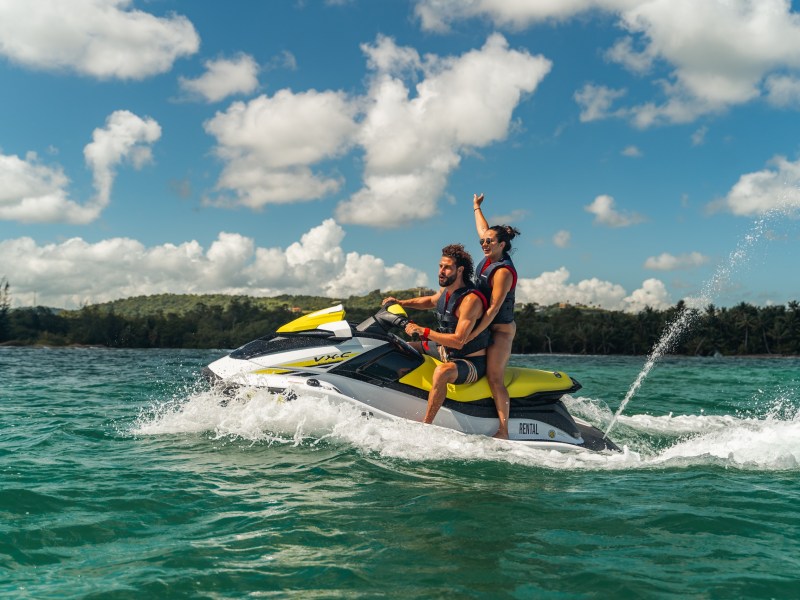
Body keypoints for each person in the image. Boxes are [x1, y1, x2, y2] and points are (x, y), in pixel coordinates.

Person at [383, 244, 490, 425]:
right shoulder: (446, 292)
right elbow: (429, 301)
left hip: (470, 361)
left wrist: (423, 331)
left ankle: (427, 424)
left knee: (442, 372)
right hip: (444, 351)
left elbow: (458, 341)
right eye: (440, 266)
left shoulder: (470, 300)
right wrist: (401, 302)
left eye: (447, 267)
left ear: (460, 270)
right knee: (398, 347)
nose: (441, 271)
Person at [470, 193, 521, 439]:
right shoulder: (490, 253)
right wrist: (476, 207)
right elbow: (482, 228)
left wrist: (474, 332)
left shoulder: (503, 272)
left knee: (494, 377)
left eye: (489, 241)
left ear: (502, 245)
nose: (484, 244)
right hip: (485, 325)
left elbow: (492, 309)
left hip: (499, 329)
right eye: (483, 242)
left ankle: (503, 430)